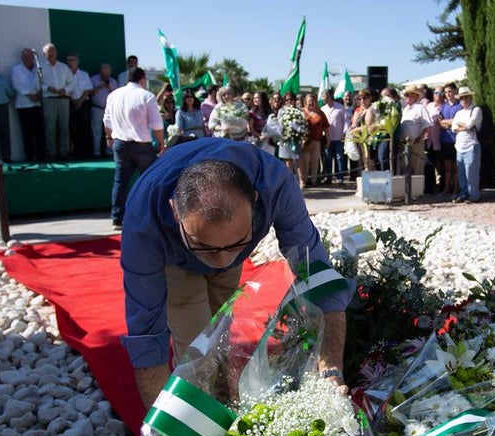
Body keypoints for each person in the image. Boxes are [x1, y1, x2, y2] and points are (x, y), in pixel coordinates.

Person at [120, 138, 350, 410]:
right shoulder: (143, 221)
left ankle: (227, 402)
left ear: (255, 201)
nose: (221, 260)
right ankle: (203, 409)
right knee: (195, 344)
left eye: (235, 243)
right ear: (174, 211)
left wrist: (331, 370)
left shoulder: (275, 184)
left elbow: (317, 275)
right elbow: (147, 335)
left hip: (214, 242)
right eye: (204, 245)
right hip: (178, 264)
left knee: (223, 328)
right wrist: (162, 432)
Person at [104, 66, 165, 229]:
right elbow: (157, 124)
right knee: (150, 181)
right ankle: (152, 216)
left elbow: (107, 121)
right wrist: (161, 143)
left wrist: (108, 137)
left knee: (120, 181)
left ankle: (117, 218)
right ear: (142, 79)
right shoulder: (146, 96)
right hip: (142, 145)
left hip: (121, 143)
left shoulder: (114, 95)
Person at [39, 43, 74, 160]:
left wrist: (65, 90)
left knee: (64, 128)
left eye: (53, 51)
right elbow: (37, 83)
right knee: (50, 128)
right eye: (49, 51)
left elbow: (71, 82)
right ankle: (52, 153)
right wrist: (48, 88)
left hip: (63, 100)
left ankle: (65, 152)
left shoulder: (63, 67)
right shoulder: (41, 68)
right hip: (49, 100)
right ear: (44, 54)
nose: (51, 53)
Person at [11, 48, 46, 163]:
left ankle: (42, 156)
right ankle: (30, 156)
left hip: (38, 104)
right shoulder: (17, 69)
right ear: (22, 58)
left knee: (40, 131)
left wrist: (39, 93)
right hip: (24, 105)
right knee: (27, 132)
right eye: (26, 56)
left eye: (30, 56)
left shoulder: (39, 69)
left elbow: (44, 82)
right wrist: (29, 94)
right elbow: (17, 85)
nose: (28, 58)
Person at [451, 86, 483, 202]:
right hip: (459, 146)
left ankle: (474, 195)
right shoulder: (459, 112)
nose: (463, 100)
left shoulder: (476, 110)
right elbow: (454, 127)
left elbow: (469, 125)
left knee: (471, 173)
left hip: (472, 145)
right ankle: (464, 193)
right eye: (461, 98)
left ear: (470, 97)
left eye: (465, 97)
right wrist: (462, 127)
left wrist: (462, 126)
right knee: (461, 173)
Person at [398, 86, 433, 181]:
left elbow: (428, 125)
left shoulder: (420, 108)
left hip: (416, 142)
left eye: (409, 94)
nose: (407, 97)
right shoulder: (405, 109)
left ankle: (417, 191)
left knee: (417, 167)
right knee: (405, 166)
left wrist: (420, 137)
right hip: (404, 143)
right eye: (406, 95)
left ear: (416, 96)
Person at [298, 93, 329, 187]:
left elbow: (326, 127)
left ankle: (314, 181)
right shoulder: (301, 112)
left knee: (315, 161)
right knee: (305, 161)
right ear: (305, 102)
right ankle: (305, 180)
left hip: (317, 141)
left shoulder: (320, 113)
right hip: (305, 141)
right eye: (308, 101)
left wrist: (328, 140)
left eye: (312, 101)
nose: (310, 103)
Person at [67, 54, 94, 159]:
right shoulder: (64, 74)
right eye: (68, 60)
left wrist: (80, 101)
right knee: (73, 129)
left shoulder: (84, 74)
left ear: (77, 62)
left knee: (85, 128)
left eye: (72, 60)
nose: (70, 62)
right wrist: (73, 101)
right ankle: (75, 152)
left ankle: (86, 152)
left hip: (83, 104)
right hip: (70, 103)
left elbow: (88, 89)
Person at [436, 83, 462, 195]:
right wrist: (449, 123)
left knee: (456, 168)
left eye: (450, 92)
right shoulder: (443, 106)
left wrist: (448, 122)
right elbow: (439, 123)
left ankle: (456, 189)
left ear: (455, 92)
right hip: (445, 139)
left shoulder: (460, 106)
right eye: (446, 92)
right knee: (447, 168)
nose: (448, 94)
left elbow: (457, 122)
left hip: (456, 140)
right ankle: (446, 189)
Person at [90, 64, 118, 157]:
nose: (105, 76)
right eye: (103, 73)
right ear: (100, 72)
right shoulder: (94, 80)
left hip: (110, 110)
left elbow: (117, 96)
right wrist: (99, 87)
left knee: (111, 131)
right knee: (96, 131)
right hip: (97, 108)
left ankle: (109, 152)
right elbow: (89, 93)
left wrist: (109, 87)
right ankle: (96, 152)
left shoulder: (113, 82)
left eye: (107, 74)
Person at [321, 89, 348, 184]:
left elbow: (346, 122)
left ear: (330, 96)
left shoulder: (340, 108)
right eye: (323, 96)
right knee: (328, 158)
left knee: (339, 158)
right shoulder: (323, 109)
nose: (324, 98)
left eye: (325, 96)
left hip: (338, 137)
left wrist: (344, 132)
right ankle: (328, 177)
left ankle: (340, 177)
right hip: (327, 138)